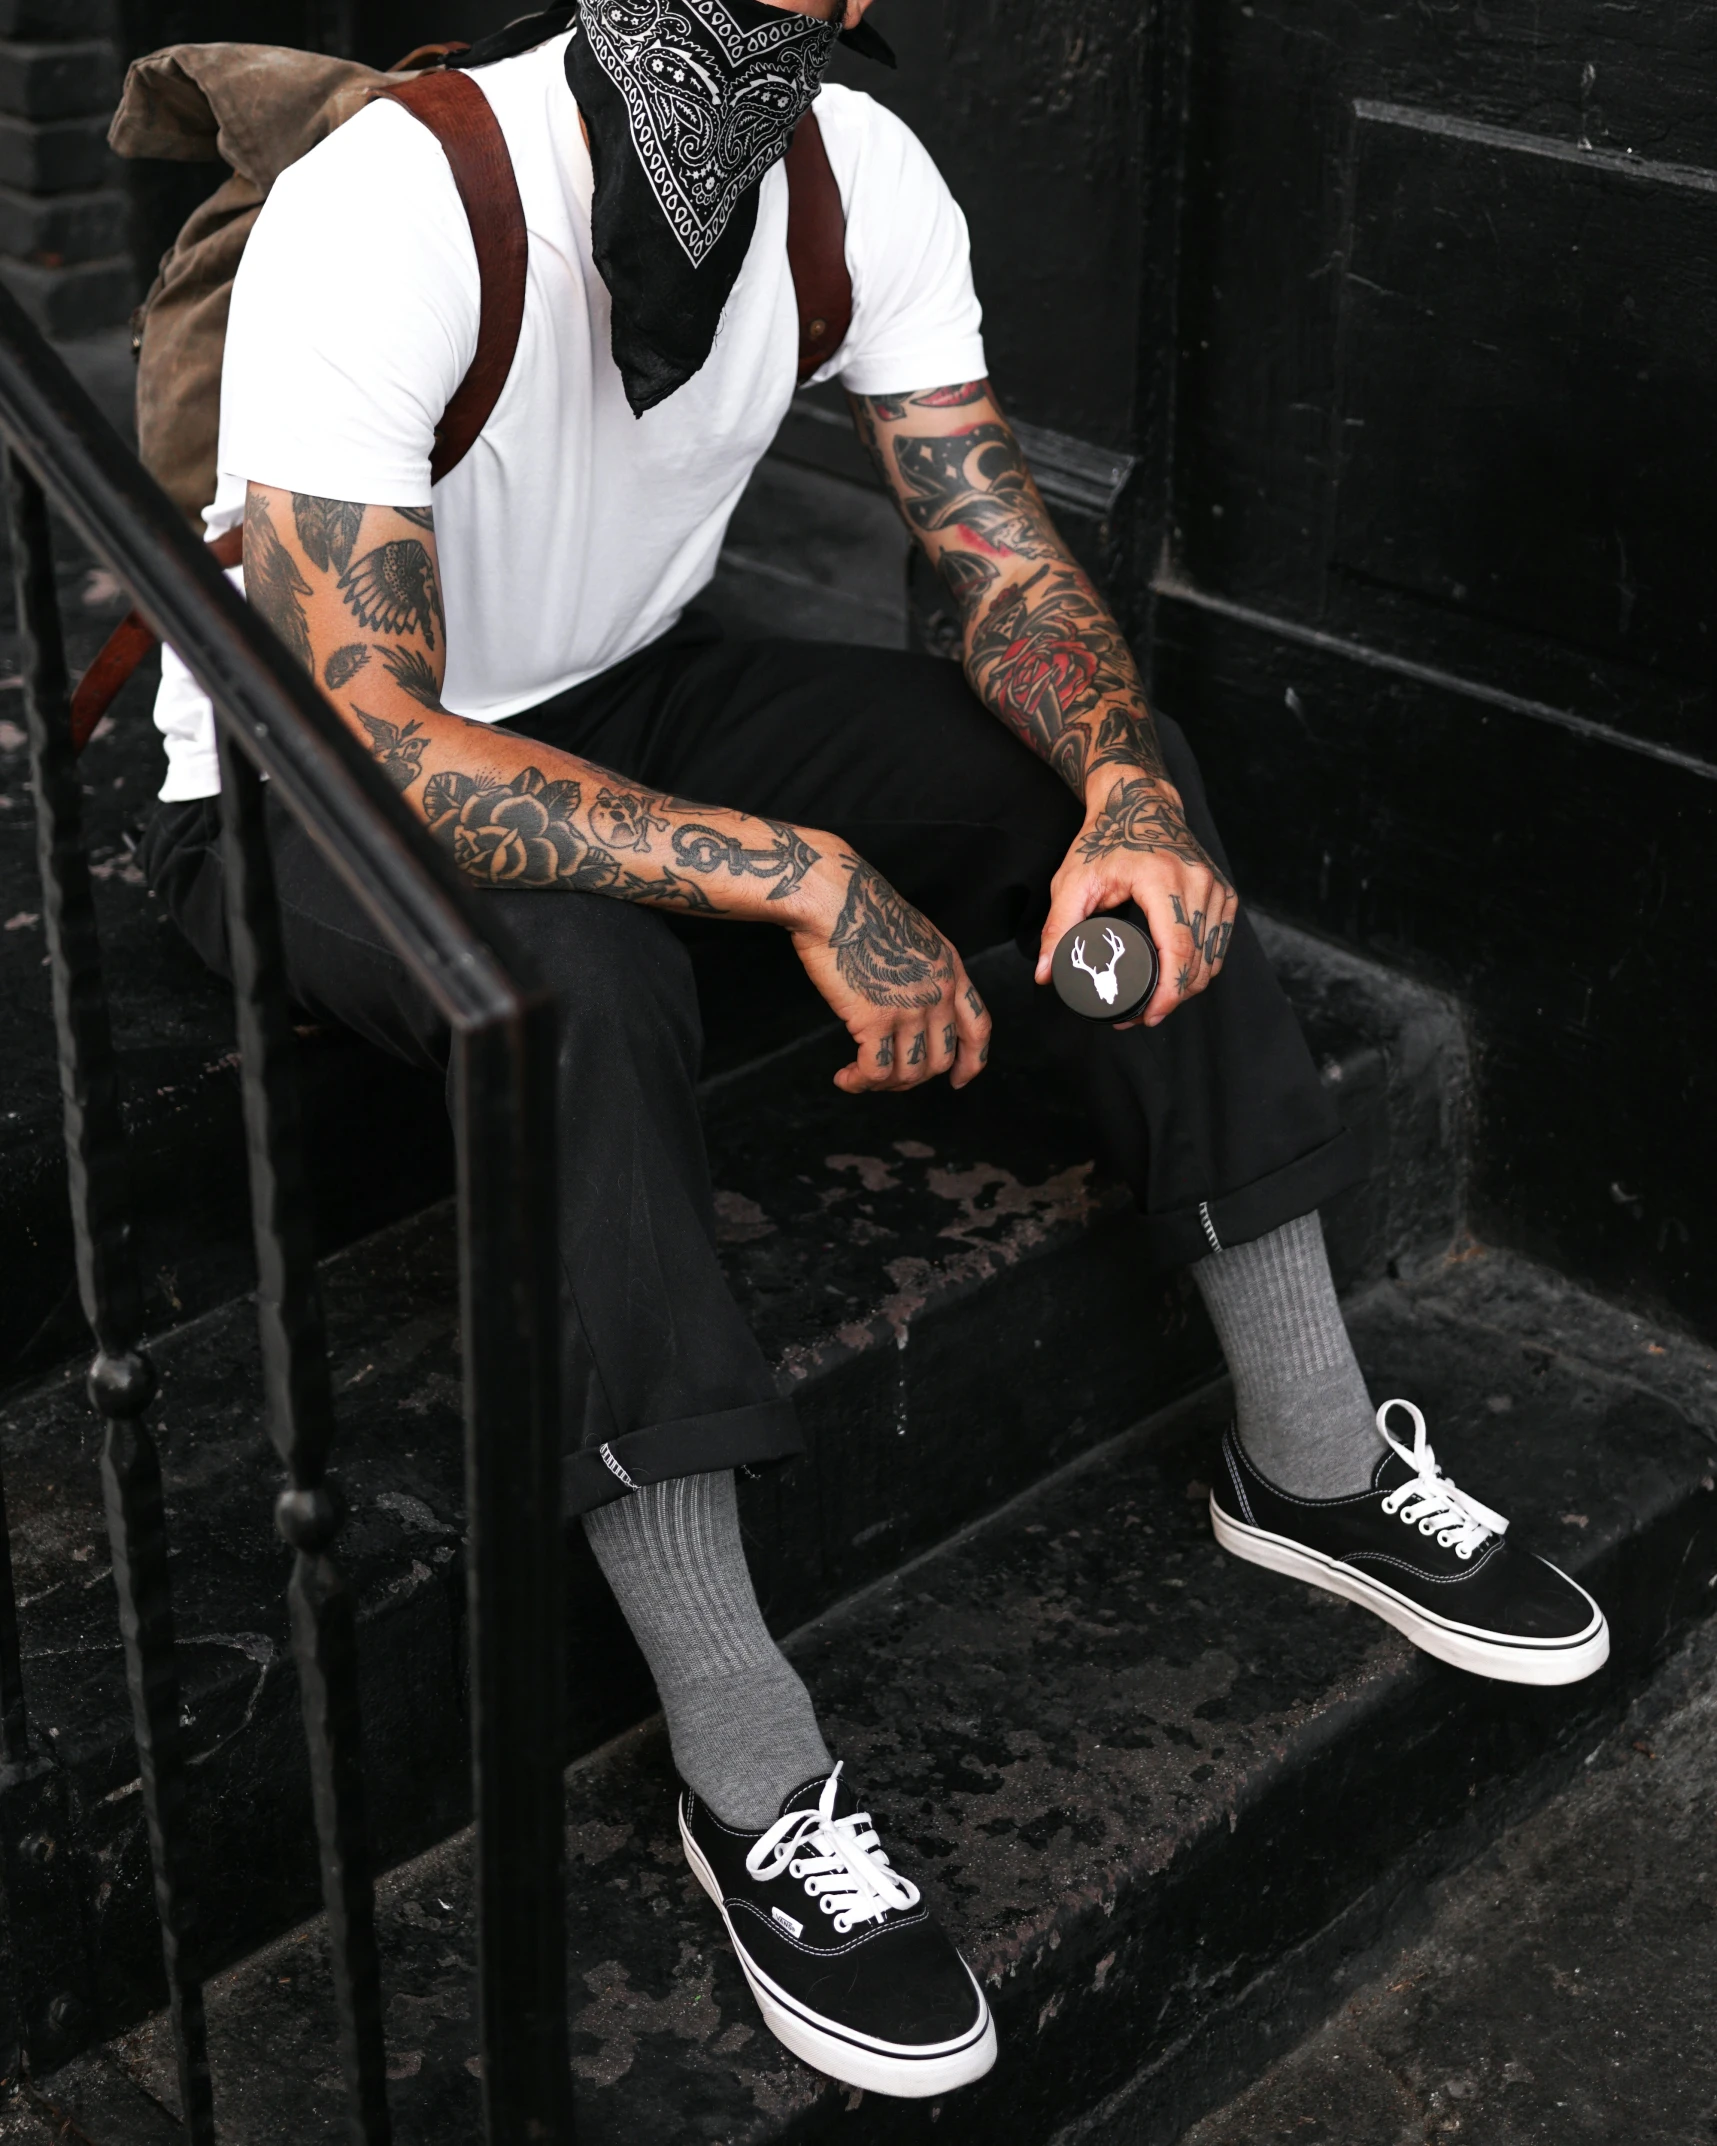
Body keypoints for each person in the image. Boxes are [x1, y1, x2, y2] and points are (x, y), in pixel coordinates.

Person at [139, 0, 1609, 2100]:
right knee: (576, 980)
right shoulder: (408, 201)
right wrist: (802, 877)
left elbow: (996, 550)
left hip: (632, 690)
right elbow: (372, 732)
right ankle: (750, 1763)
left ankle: (1305, 1448)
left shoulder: (856, 183)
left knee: (1112, 760)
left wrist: (1121, 786)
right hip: (303, 793)